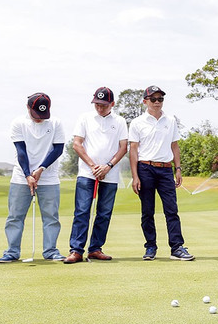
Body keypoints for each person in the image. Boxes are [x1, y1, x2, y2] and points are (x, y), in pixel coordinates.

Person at [128, 86, 194, 261]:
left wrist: (178, 169)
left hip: (165, 169)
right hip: (145, 169)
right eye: (153, 99)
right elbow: (133, 150)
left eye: (160, 99)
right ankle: (150, 247)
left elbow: (174, 146)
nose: (157, 102)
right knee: (147, 211)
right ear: (145, 101)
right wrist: (135, 176)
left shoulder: (170, 120)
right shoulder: (137, 122)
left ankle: (177, 247)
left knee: (172, 210)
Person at [64, 87, 129, 264]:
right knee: (82, 211)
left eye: (103, 105)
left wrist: (108, 166)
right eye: (97, 104)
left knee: (104, 213)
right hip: (87, 172)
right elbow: (77, 144)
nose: (99, 108)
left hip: (110, 173)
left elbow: (123, 147)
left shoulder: (120, 121)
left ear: (112, 104)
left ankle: (95, 249)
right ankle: (76, 250)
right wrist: (93, 166)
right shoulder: (84, 118)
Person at [0, 93, 66, 263]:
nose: (39, 118)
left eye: (43, 115)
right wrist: (28, 174)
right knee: (15, 216)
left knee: (51, 216)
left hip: (49, 177)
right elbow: (21, 152)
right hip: (21, 177)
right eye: (36, 114)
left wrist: (41, 168)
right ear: (28, 108)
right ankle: (12, 252)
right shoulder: (18, 123)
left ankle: (51, 251)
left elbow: (58, 149)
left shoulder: (56, 123)